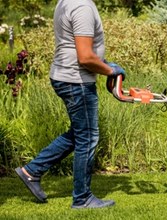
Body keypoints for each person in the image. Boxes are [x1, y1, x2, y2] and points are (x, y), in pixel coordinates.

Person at [15, 0, 125, 209]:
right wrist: (111, 71)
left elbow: (78, 47)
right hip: (77, 81)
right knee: (88, 137)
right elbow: (84, 57)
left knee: (79, 134)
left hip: (67, 77)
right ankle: (82, 198)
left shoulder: (67, 2)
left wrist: (104, 64)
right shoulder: (82, 7)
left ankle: (31, 171)